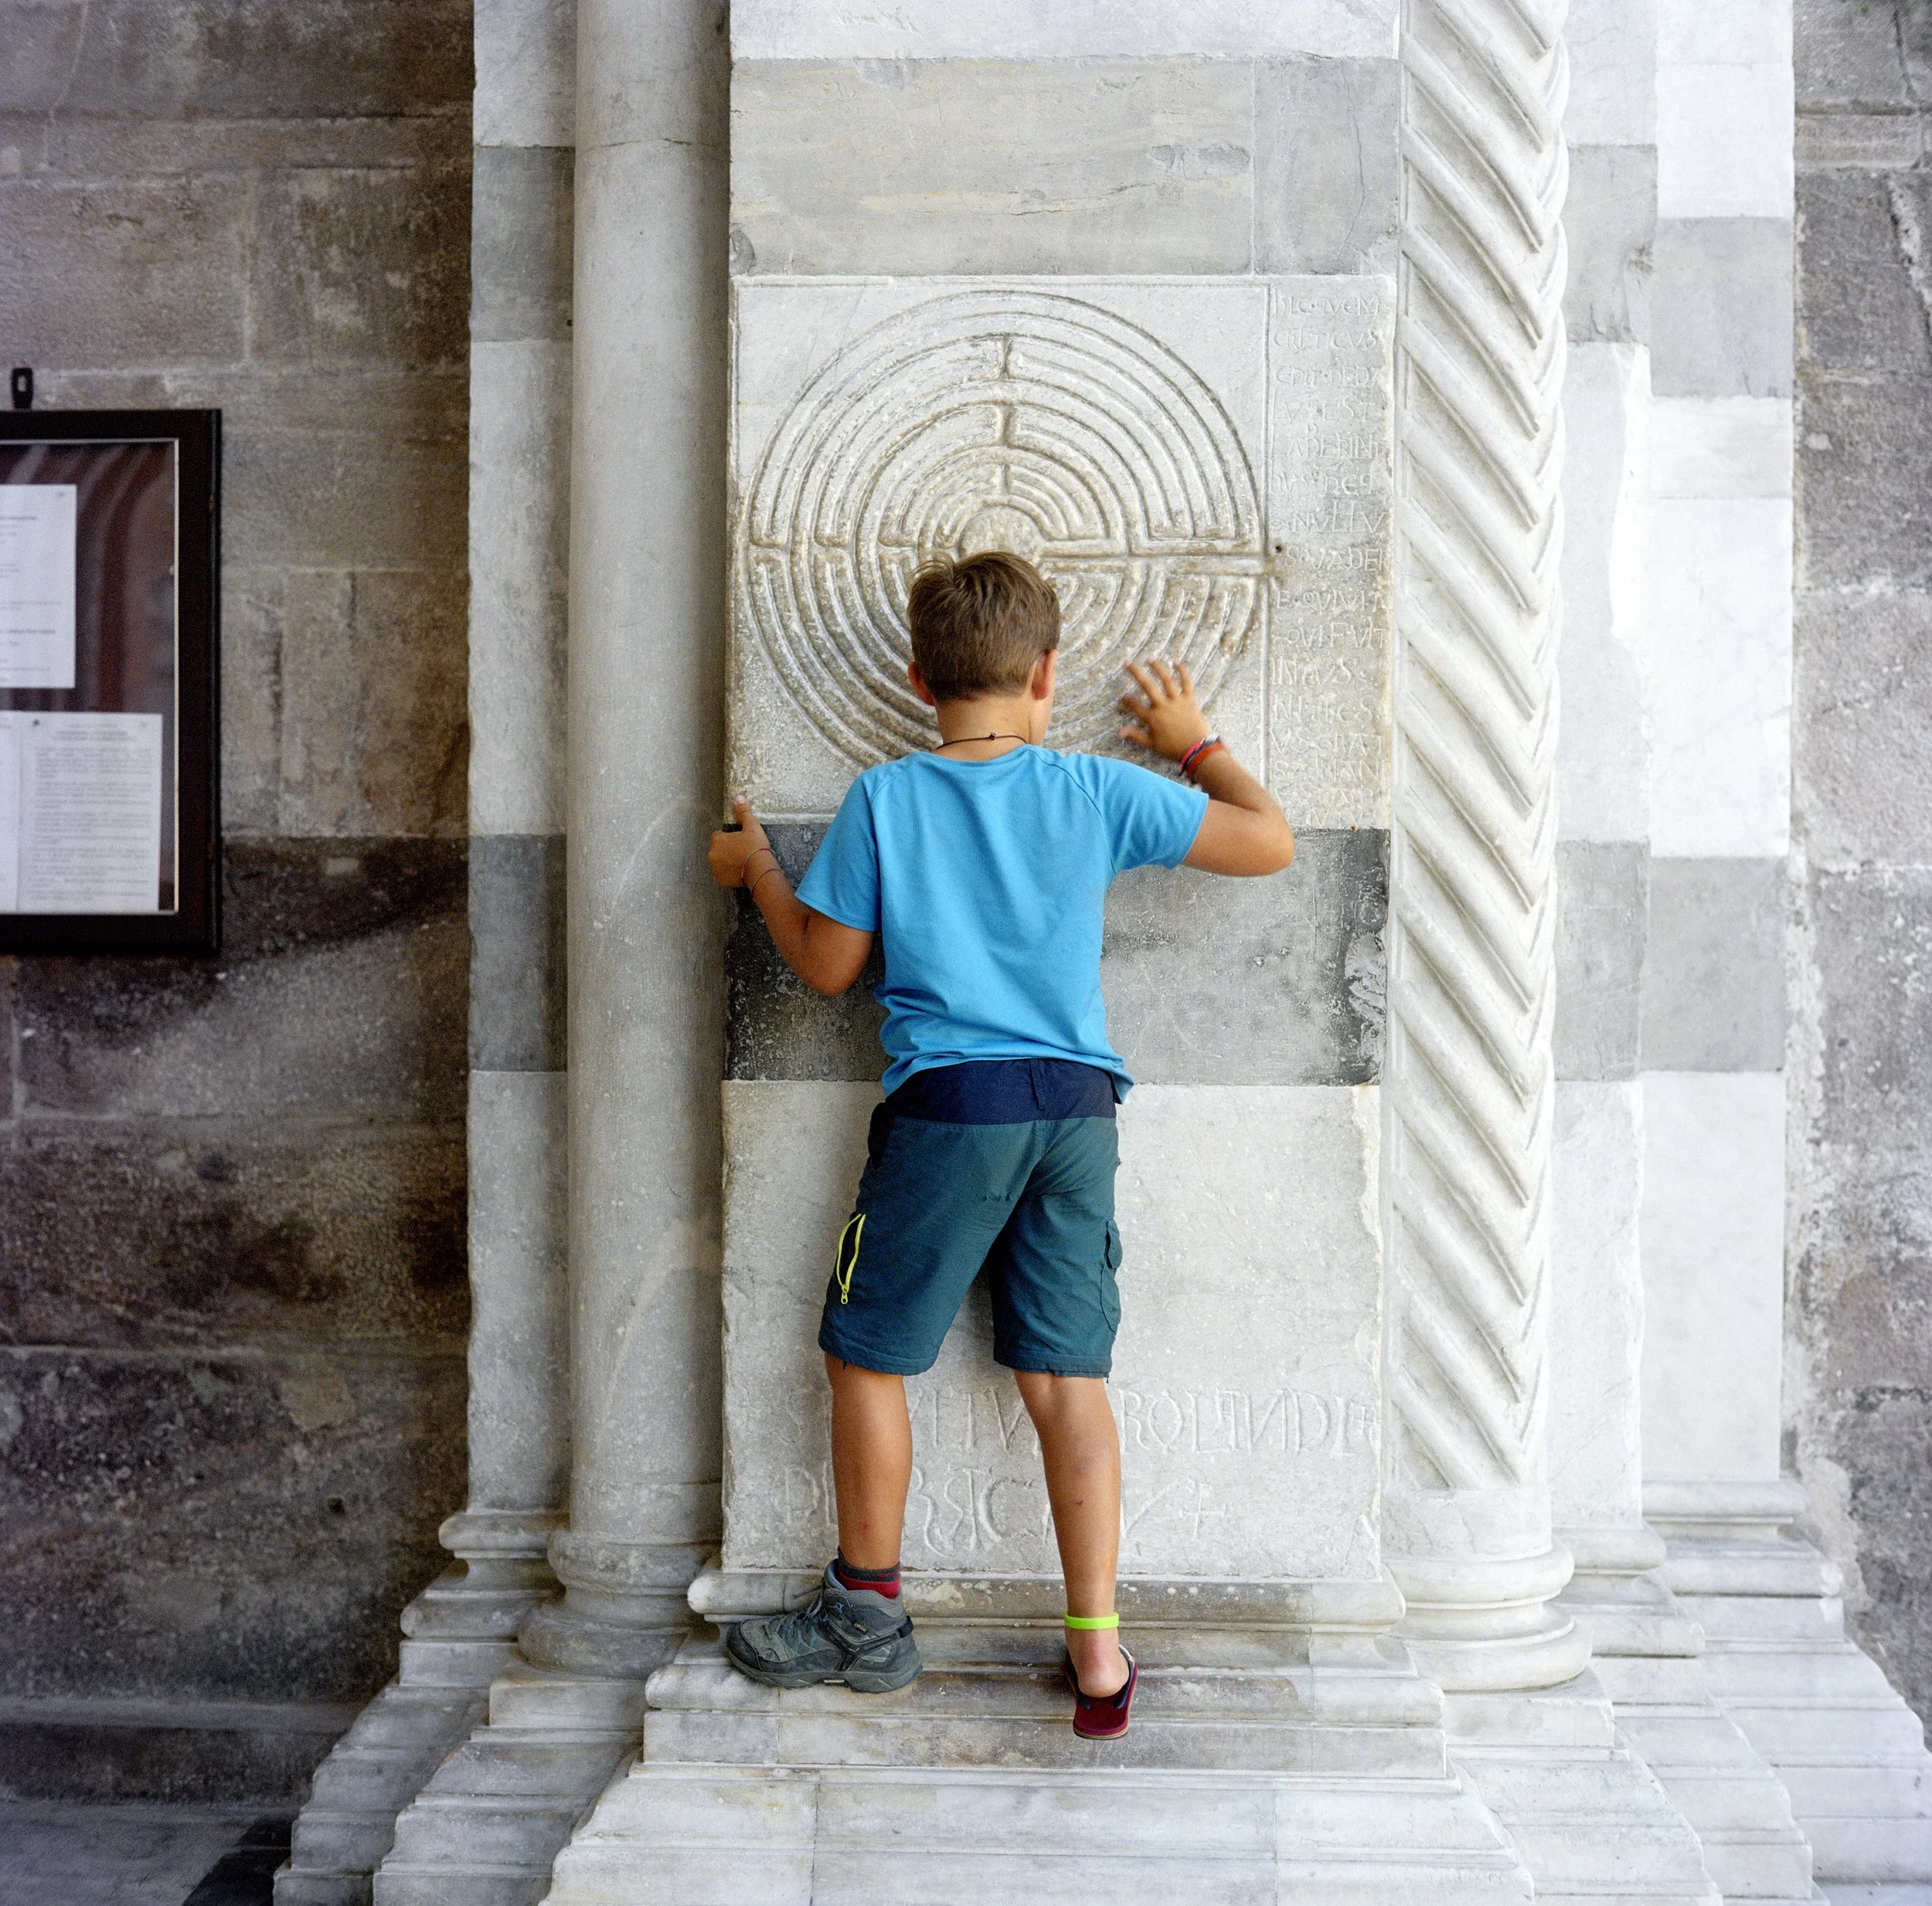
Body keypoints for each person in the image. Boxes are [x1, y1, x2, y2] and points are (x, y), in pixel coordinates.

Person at [706, 551, 1295, 1740]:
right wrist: (1189, 738)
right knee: (1066, 1378)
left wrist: (756, 870)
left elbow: (827, 967)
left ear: (919, 675)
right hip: (1077, 1111)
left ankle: (867, 1615)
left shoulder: (888, 798)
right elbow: (1267, 838)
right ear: (1048, 674)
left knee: (867, 1354)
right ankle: (1096, 1650)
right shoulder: (1090, 788)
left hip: (952, 1111)